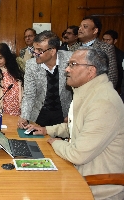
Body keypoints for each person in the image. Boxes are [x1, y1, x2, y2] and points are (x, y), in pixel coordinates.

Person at [25, 46, 124, 200]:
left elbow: (77, 154)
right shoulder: (88, 93)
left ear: (91, 71)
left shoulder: (104, 102)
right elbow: (76, 126)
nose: (66, 70)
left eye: (73, 65)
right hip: (79, 174)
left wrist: (55, 142)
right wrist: (46, 130)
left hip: (97, 188)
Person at [18, 31, 73, 127]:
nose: (35, 54)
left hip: (64, 114)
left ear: (52, 51)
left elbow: (79, 91)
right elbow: (29, 94)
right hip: (40, 113)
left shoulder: (70, 60)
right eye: (34, 49)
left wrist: (72, 115)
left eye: (39, 50)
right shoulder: (31, 65)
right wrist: (24, 117)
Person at [73, 16, 118, 88]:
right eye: (80, 26)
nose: (80, 29)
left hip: (97, 91)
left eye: (85, 27)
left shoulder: (106, 48)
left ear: (95, 31)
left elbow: (112, 75)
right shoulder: (73, 48)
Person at [102, 30, 124, 95]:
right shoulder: (98, 51)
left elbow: (120, 74)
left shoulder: (120, 55)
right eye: (103, 39)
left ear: (115, 41)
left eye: (108, 40)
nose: (105, 42)